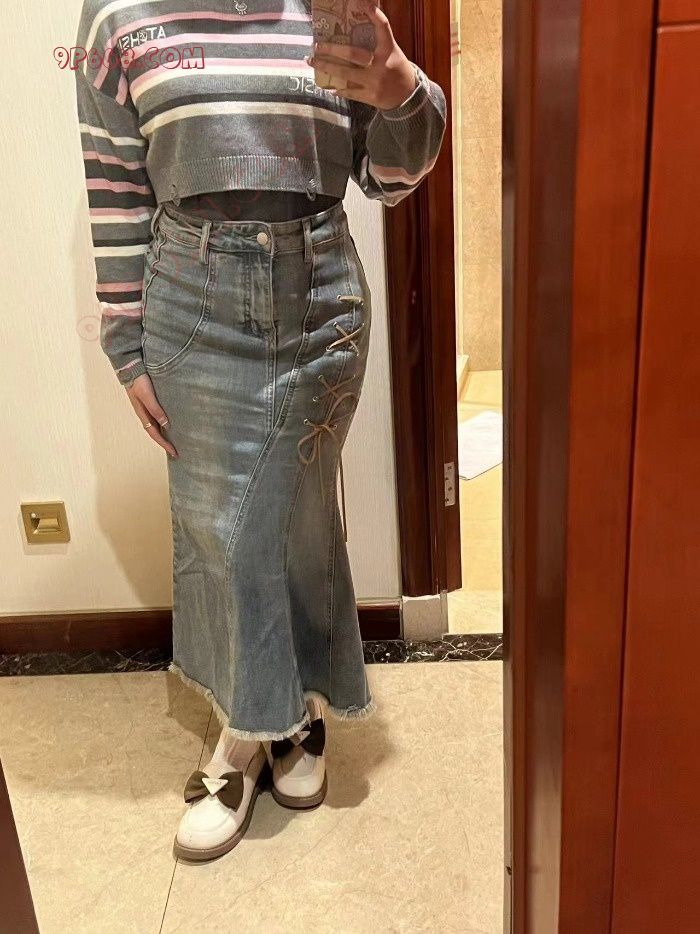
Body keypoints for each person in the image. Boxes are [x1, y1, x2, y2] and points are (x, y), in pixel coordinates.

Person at [74, 0, 446, 861]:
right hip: (190, 300)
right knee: (222, 531)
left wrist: (399, 88)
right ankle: (249, 731)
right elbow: (115, 183)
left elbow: (390, 177)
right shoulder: (115, 14)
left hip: (320, 297)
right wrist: (124, 342)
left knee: (301, 520)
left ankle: (294, 710)